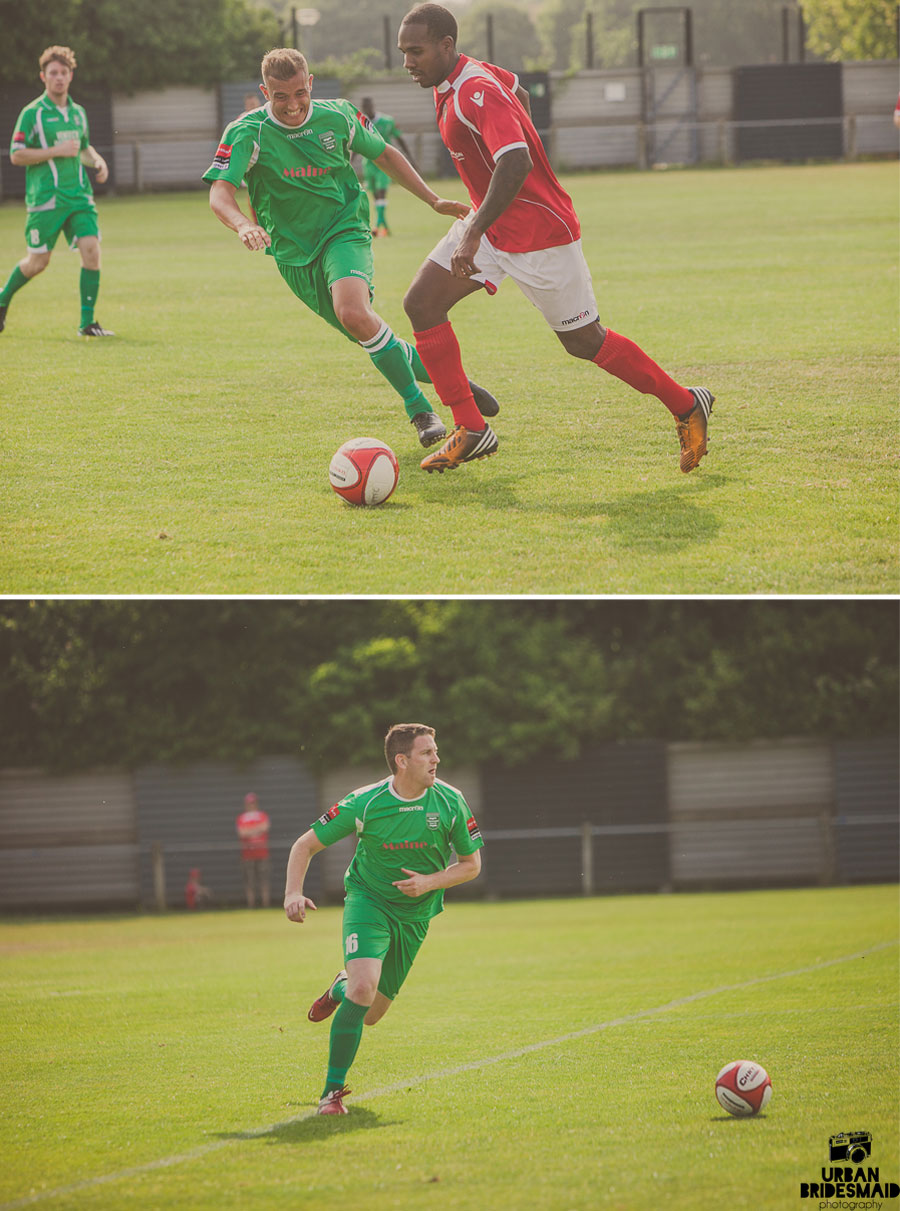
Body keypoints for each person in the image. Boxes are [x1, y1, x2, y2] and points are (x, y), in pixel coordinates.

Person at [397, 3, 715, 475]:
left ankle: (686, 402)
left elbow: (518, 160)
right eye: (403, 52)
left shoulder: (475, 89)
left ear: (447, 46)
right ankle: (472, 428)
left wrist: (476, 229)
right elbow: (518, 92)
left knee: (584, 342)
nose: (408, 62)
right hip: (491, 226)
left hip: (539, 234)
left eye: (416, 51)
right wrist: (483, 220)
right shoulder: (464, 78)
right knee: (421, 304)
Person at [203, 48, 499, 450]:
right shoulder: (245, 132)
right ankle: (455, 381)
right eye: (280, 97)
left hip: (345, 229)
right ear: (264, 92)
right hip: (292, 252)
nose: (292, 106)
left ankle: (420, 410)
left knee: (354, 313)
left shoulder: (339, 115)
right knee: (365, 331)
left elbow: (385, 154)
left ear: (310, 84)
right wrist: (243, 225)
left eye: (298, 94)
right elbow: (220, 193)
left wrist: (432, 200)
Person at [284, 723, 483, 1115]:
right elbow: (304, 845)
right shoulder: (365, 802)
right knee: (364, 990)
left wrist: (429, 882)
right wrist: (293, 892)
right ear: (402, 760)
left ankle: (339, 987)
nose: (437, 760)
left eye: (436, 751)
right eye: (428, 753)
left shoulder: (450, 801)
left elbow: (471, 865)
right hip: (368, 901)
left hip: (417, 915)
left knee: (370, 1012)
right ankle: (331, 1093)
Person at [0, 45, 113, 338]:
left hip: (78, 197)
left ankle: (87, 324)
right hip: (46, 200)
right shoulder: (32, 114)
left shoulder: (78, 113)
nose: (59, 78)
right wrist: (55, 150)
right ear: (43, 77)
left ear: (71, 75)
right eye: (53, 73)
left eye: (63, 72)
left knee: (92, 251)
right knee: (38, 262)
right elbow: (16, 154)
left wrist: (97, 161)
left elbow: (83, 148)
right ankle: (2, 299)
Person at [359, 97, 416, 237]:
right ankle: (384, 226)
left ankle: (377, 226)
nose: (367, 109)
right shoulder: (361, 122)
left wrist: (410, 158)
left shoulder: (387, 121)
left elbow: (399, 139)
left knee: (382, 192)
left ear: (373, 105)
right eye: (364, 107)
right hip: (368, 163)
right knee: (375, 197)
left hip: (384, 163)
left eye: (369, 106)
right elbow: (357, 143)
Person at [236, 792, 271, 908]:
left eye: (253, 803)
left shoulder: (262, 815)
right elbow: (242, 832)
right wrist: (257, 830)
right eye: (249, 803)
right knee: (249, 881)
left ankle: (265, 904)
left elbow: (265, 827)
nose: (251, 805)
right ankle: (251, 905)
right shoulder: (242, 818)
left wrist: (250, 831)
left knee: (264, 880)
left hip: (262, 853)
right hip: (247, 854)